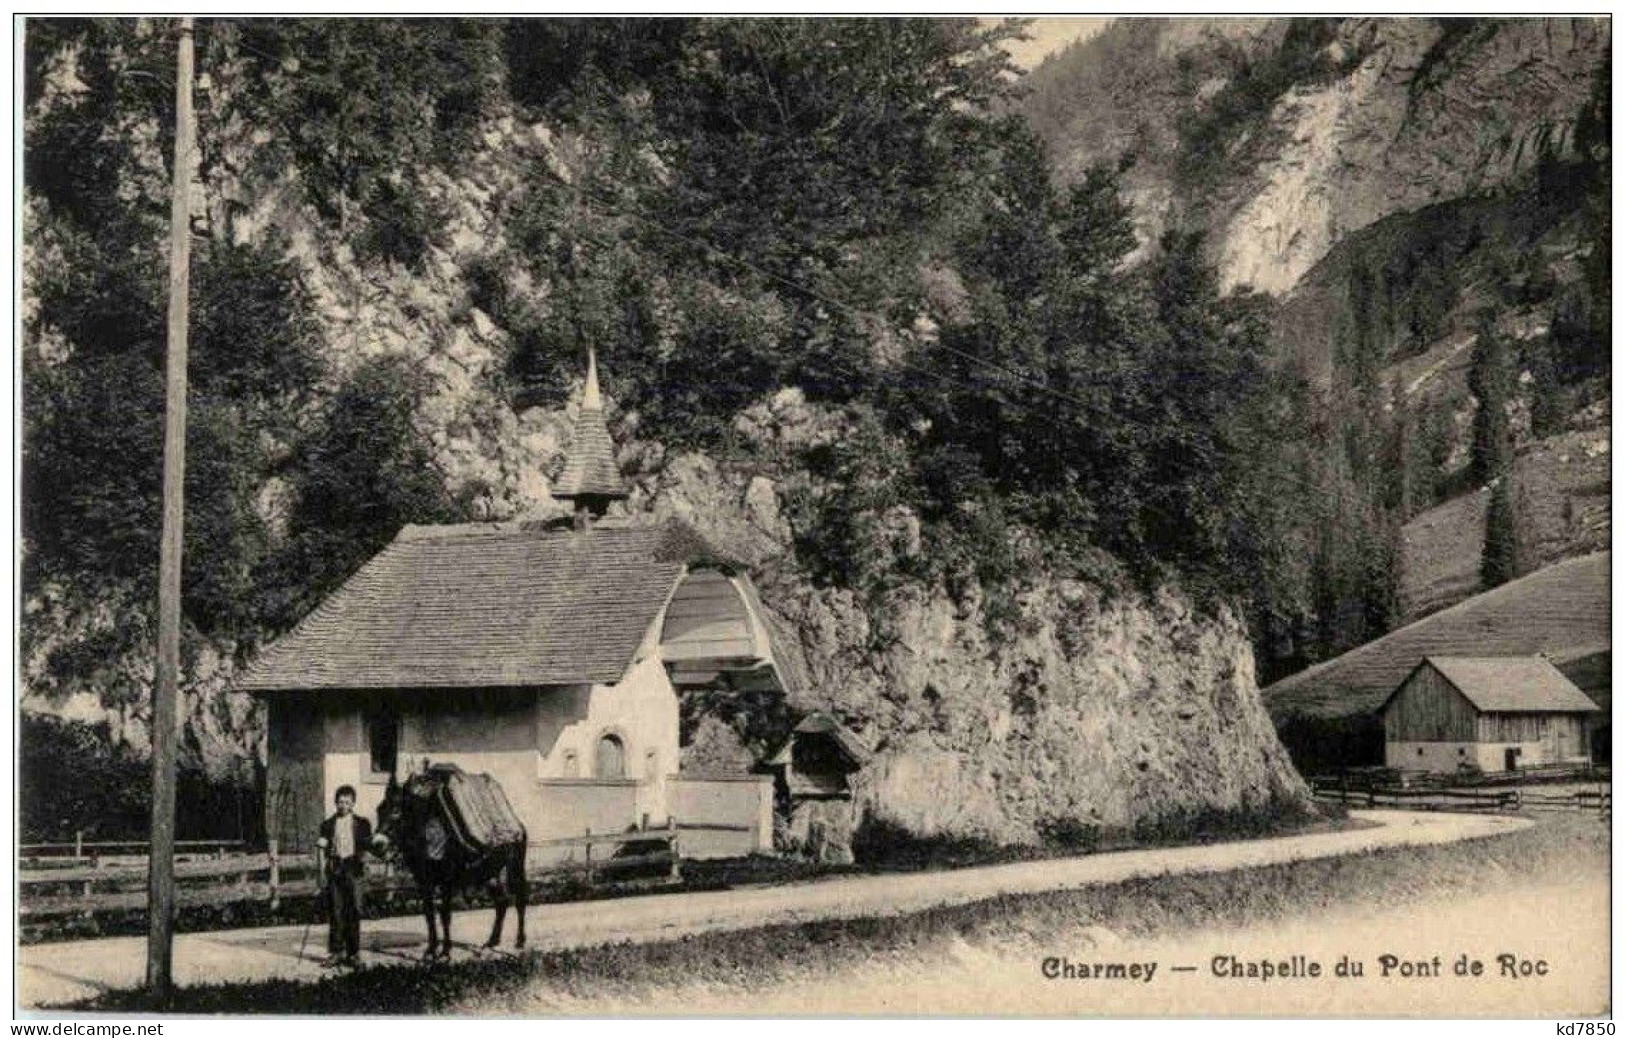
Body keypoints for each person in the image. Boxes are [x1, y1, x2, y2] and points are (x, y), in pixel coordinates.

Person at [315, 785, 373, 968]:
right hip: (336, 869)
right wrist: (321, 871)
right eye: (340, 802)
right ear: (335, 802)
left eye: (348, 802)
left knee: (354, 910)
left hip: (354, 870)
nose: (343, 805)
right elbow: (322, 848)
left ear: (353, 803)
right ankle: (336, 952)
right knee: (336, 911)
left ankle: (354, 954)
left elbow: (368, 846)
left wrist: (365, 863)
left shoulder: (362, 824)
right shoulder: (328, 824)